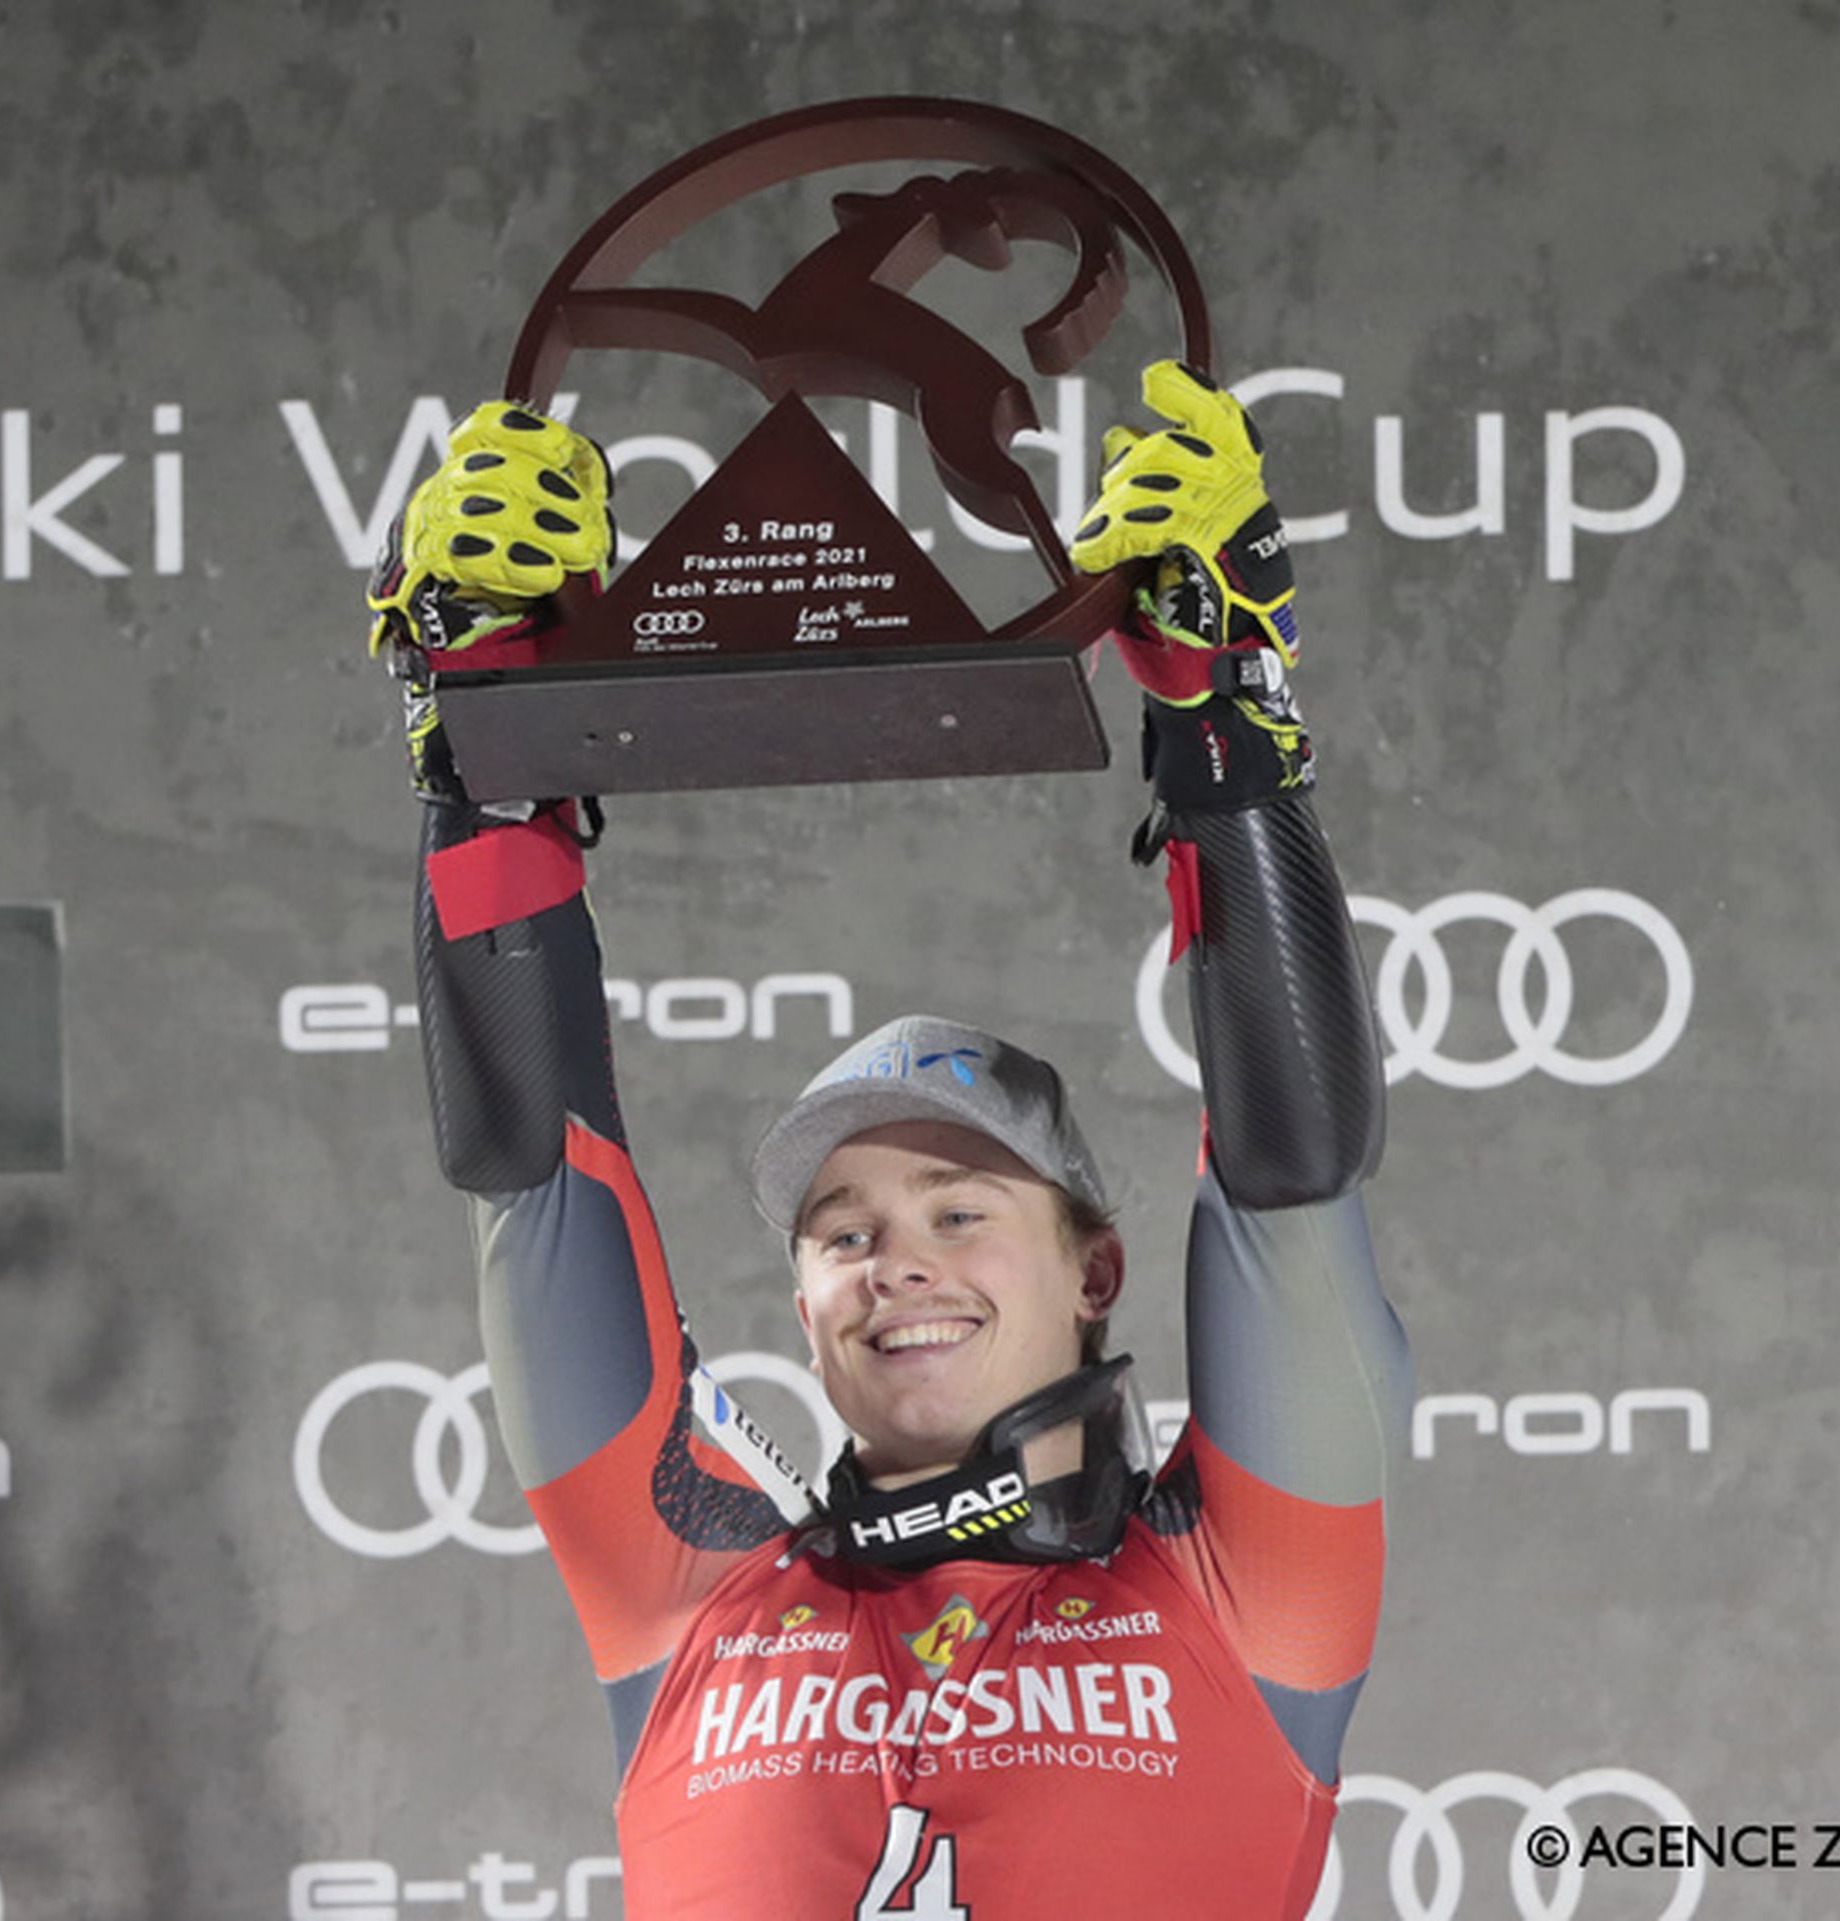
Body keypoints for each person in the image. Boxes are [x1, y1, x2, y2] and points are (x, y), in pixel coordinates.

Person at [365, 365, 1411, 1919]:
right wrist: (485, 741)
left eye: (959, 1206)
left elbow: (1290, 1178)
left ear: (1097, 1267)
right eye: (843, 1228)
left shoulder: (1244, 1577)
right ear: (801, 1302)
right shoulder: (686, 1583)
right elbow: (532, 1166)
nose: (893, 1262)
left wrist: (1229, 737)